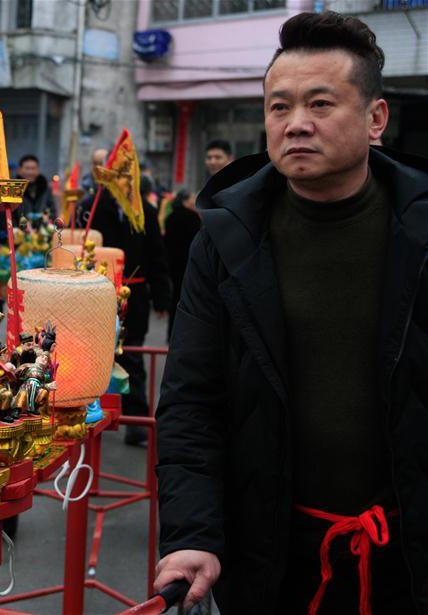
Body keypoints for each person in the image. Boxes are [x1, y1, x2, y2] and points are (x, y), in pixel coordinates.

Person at [154, 12, 427, 613]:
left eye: (321, 104)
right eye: (279, 107)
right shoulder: (225, 241)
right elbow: (192, 402)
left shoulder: (422, 231)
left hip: (410, 558)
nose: (296, 124)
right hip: (268, 560)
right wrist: (193, 533)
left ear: (375, 119)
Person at [77, 174, 170, 445]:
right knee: (89, 358)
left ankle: (136, 422)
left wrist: (161, 296)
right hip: (95, 293)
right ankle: (84, 415)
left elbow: (157, 255)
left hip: (134, 297)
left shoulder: (146, 212)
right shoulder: (89, 208)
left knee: (132, 359)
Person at [163, 190, 200, 339]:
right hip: (187, 265)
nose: (194, 200)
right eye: (192, 197)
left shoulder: (170, 217)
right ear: (186, 200)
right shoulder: (192, 218)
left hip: (172, 265)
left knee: (175, 300)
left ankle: (170, 333)